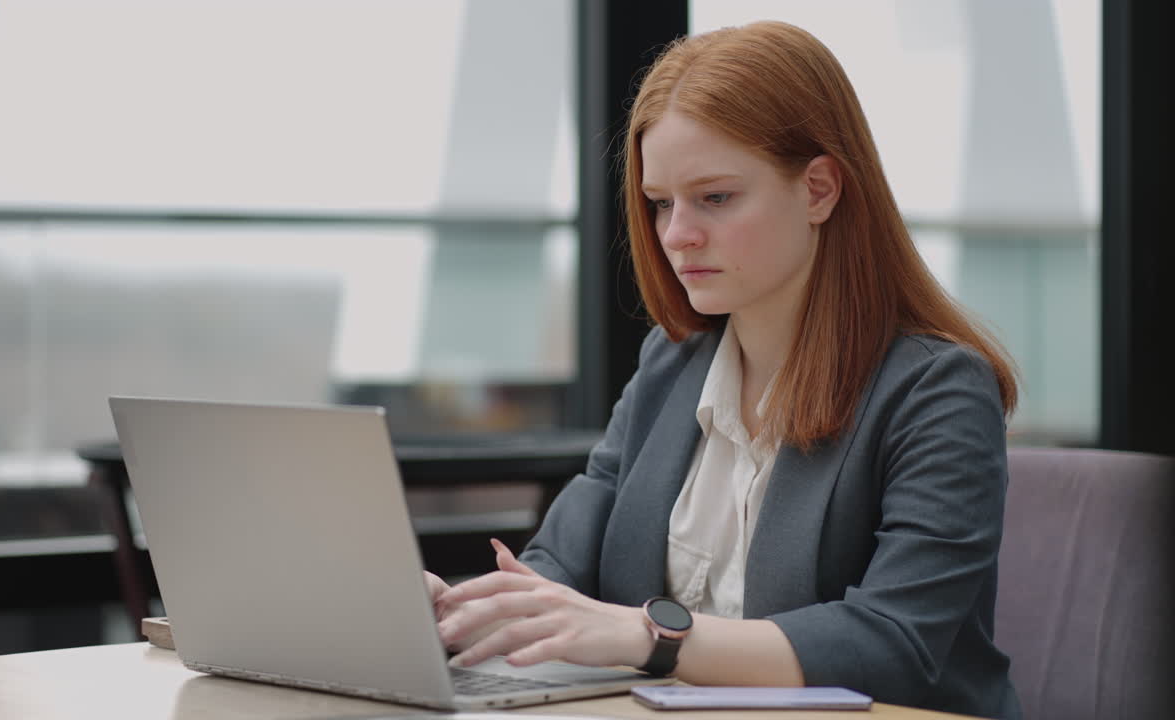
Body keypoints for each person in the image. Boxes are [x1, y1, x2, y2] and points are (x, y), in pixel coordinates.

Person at [426, 20, 1021, 720]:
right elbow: (561, 568)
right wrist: (459, 610)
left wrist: (647, 635)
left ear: (821, 190)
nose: (677, 234)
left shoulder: (937, 393)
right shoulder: (670, 368)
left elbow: (892, 644)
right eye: (660, 204)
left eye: (715, 198)